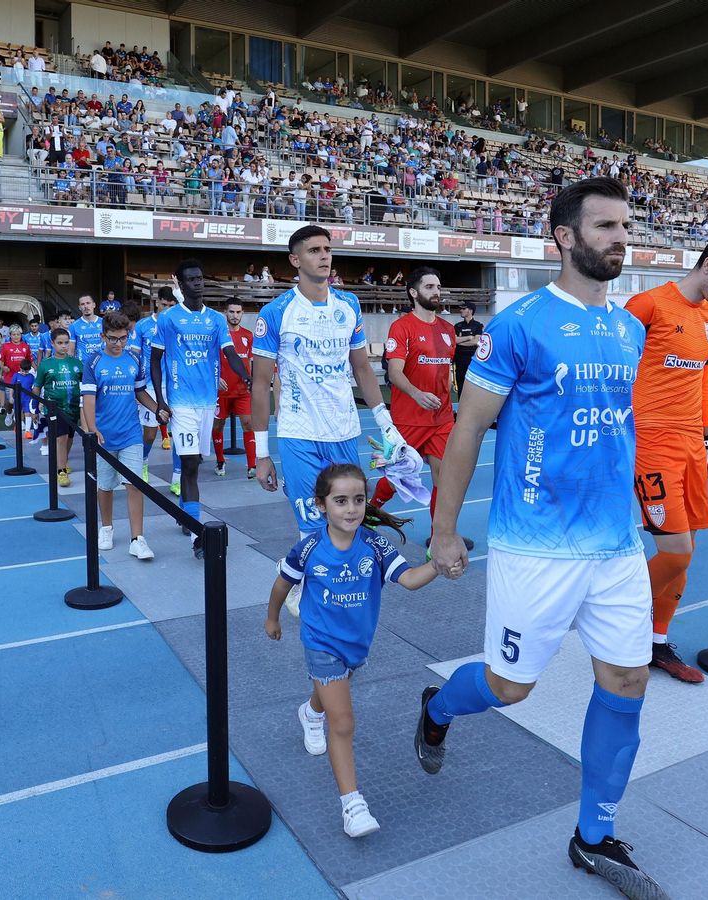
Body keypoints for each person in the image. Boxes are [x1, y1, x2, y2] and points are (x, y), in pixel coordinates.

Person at [417, 177, 672, 899]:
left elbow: (621, 427)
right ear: (564, 237)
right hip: (535, 546)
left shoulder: (628, 328)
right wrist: (444, 531)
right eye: (605, 226)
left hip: (616, 547)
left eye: (626, 225)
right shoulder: (521, 322)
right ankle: (437, 708)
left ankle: (593, 836)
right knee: (509, 688)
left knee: (626, 683)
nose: (621, 238)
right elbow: (468, 428)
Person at [263, 462, 434, 838]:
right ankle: (352, 806)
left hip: (356, 644)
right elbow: (281, 584)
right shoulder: (310, 548)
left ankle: (310, 713)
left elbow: (409, 580)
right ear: (321, 505)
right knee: (343, 722)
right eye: (340, 501)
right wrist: (272, 618)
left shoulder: (374, 545)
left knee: (332, 691)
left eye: (358, 499)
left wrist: (437, 563)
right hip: (320, 642)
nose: (352, 508)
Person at [625, 231, 708, 683]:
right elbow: (614, 374)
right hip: (650, 444)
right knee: (677, 551)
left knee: (689, 551)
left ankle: (655, 644)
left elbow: (704, 384)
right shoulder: (646, 307)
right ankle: (614, 623)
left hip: (691, 448)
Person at [250, 224, 409, 535]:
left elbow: (362, 369)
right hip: (299, 433)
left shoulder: (349, 305)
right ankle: (307, 582)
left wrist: (387, 426)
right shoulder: (275, 312)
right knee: (311, 526)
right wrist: (261, 454)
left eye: (327, 249)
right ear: (295, 260)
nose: (324, 256)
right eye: (314, 250)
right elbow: (260, 384)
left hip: (344, 430)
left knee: (348, 523)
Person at [150, 258, 250, 558]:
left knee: (197, 463)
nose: (198, 283)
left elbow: (230, 353)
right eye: (191, 279)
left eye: (201, 278)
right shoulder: (168, 319)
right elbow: (156, 360)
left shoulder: (217, 320)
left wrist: (246, 374)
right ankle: (196, 532)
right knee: (190, 464)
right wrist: (161, 400)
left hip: (208, 401)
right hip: (180, 403)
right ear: (181, 284)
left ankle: (186, 512)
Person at [372, 266, 473, 553]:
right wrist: (417, 394)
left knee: (446, 476)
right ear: (414, 292)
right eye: (429, 287)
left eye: (438, 286)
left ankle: (438, 538)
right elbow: (394, 372)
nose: (436, 291)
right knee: (396, 478)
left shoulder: (447, 330)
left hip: (441, 420)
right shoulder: (401, 327)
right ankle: (371, 511)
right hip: (408, 419)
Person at [81, 311, 164, 561]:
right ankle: (106, 528)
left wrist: (158, 408)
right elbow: (88, 399)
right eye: (113, 339)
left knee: (135, 484)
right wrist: (92, 430)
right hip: (104, 436)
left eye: (123, 338)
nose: (118, 344)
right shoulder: (93, 362)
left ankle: (137, 539)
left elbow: (140, 392)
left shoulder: (133, 360)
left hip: (131, 434)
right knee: (105, 485)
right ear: (102, 336)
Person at [133, 285, 176, 484]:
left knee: (179, 434)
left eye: (171, 305)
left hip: (176, 387)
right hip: (151, 387)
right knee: (150, 434)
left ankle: (177, 478)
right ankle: (142, 462)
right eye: (164, 305)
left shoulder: (178, 324)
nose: (166, 309)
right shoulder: (143, 326)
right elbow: (134, 356)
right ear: (157, 303)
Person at [213, 299, 257, 478]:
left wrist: (252, 381)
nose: (235, 315)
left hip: (242, 391)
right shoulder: (218, 335)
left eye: (238, 312)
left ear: (243, 313)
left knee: (248, 424)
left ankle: (252, 466)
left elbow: (250, 361)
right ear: (225, 313)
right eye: (231, 312)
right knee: (218, 424)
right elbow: (210, 361)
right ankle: (220, 461)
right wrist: (216, 378)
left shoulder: (248, 335)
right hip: (221, 391)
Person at [35, 327, 82, 486]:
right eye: (60, 343)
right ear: (52, 344)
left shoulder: (76, 363)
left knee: (69, 437)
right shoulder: (45, 365)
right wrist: (37, 406)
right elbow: (37, 387)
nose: (64, 346)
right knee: (60, 437)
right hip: (54, 409)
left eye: (66, 343)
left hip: (74, 407)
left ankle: (65, 459)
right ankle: (60, 471)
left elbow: (85, 384)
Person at [452, 303, 483, 398]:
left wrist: (460, 342)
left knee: (473, 383)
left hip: (472, 359)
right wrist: (469, 337)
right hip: (459, 359)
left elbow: (476, 342)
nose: (461, 311)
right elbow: (454, 340)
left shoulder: (478, 325)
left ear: (469, 311)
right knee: (460, 383)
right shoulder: (457, 326)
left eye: (463, 309)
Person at [69, 293, 105, 361]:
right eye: (82, 304)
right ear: (79, 307)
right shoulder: (74, 326)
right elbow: (71, 350)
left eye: (88, 303)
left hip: (102, 364)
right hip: (83, 366)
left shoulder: (104, 322)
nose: (86, 306)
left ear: (94, 305)